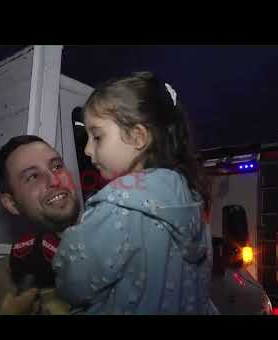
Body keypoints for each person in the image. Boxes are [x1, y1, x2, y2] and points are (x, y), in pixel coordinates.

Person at [53, 71, 217, 315]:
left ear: (138, 137)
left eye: (97, 136)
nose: (87, 149)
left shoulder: (117, 207)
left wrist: (70, 238)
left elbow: (72, 283)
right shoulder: (190, 200)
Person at [0, 135, 80, 315]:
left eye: (57, 166)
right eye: (33, 176)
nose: (54, 180)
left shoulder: (125, 245)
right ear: (11, 203)